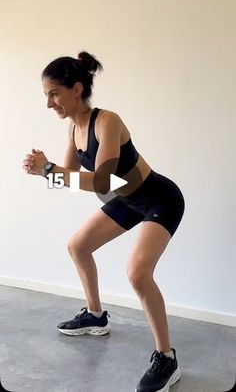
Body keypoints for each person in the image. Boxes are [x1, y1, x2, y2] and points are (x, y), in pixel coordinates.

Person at [22, 51, 185, 392]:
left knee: (138, 273)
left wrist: (50, 170)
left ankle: (166, 358)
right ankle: (96, 316)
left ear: (76, 89)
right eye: (46, 96)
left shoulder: (107, 121)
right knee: (77, 245)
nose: (49, 103)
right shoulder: (73, 129)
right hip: (125, 199)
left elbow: (100, 181)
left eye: (54, 94)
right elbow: (68, 179)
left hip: (158, 198)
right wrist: (44, 173)